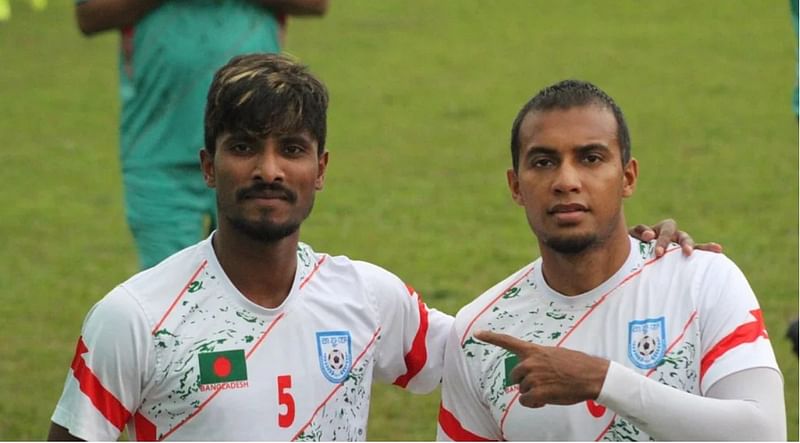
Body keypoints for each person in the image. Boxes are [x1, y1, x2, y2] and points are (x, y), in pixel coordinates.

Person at [48, 55, 708, 441]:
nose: (269, 170)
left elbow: (490, 351)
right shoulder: (135, 317)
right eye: (244, 146)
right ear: (207, 164)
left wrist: (636, 264)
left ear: (322, 168)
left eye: (293, 149)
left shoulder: (364, 298)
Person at [437, 80, 786, 441]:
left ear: (627, 177)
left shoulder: (703, 281)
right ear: (515, 187)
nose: (566, 181)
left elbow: (764, 433)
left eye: (591, 158)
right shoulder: (481, 332)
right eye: (544, 162)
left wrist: (602, 381)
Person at [73, 0, 328, 270]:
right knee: (169, 291)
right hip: (159, 150)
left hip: (259, 152)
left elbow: (316, 4)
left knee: (257, 283)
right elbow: (89, 16)